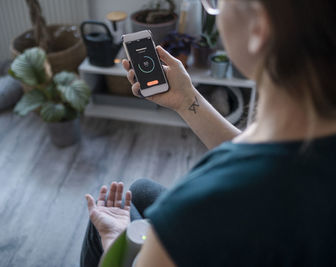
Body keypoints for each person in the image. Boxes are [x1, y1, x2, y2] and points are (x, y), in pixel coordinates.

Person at [81, 0, 336, 265]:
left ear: (260, 27)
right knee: (140, 191)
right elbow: (264, 160)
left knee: (105, 218)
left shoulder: (199, 206)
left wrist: (117, 239)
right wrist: (187, 100)